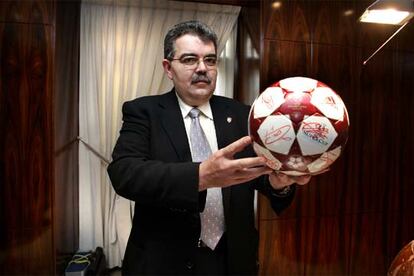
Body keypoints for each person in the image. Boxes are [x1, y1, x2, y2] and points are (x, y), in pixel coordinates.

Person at [107, 20, 310, 275]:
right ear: (168, 68)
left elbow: (259, 178)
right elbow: (124, 172)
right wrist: (200, 177)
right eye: (190, 59)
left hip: (232, 260)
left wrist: (280, 183)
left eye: (211, 60)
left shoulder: (243, 115)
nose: (202, 68)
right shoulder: (144, 111)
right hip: (163, 261)